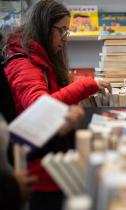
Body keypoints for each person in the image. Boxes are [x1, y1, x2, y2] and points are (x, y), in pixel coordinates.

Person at [2, 0, 111, 209]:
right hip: (39, 171)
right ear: (44, 26)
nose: (65, 39)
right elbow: (40, 106)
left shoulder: (38, 58)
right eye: (61, 30)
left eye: (66, 31)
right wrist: (88, 85)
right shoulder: (23, 62)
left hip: (49, 165)